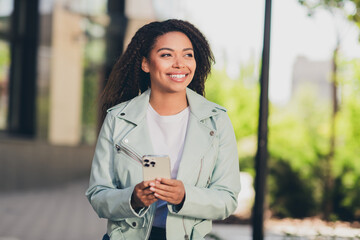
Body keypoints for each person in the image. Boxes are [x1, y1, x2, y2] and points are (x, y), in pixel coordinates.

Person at [86, 19, 240, 240]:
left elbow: (227, 199)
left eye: (188, 55)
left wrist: (185, 196)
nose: (179, 64)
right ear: (146, 64)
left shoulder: (217, 121)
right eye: (167, 55)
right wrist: (133, 199)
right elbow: (97, 194)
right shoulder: (118, 119)